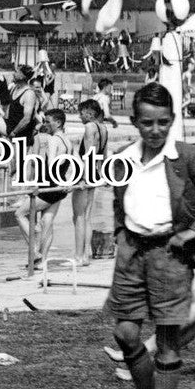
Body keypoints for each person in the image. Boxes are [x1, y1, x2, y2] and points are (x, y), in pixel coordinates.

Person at [105, 83, 195, 389]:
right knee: (126, 333)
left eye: (163, 122)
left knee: (167, 340)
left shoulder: (186, 156)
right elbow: (119, 199)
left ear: (172, 120)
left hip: (170, 256)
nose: (156, 130)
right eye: (148, 123)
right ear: (134, 121)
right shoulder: (122, 157)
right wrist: (120, 232)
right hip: (132, 254)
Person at [13, 108, 72, 266]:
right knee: (47, 221)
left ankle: (34, 251)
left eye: (47, 121)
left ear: (58, 123)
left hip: (50, 186)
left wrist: (39, 185)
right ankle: (41, 262)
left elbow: (52, 163)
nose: (45, 124)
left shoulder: (53, 139)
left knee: (20, 214)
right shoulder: (67, 140)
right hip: (59, 187)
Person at [72, 99, 109, 266]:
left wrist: (83, 178)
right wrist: (103, 175)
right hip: (94, 173)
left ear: (90, 113)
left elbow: (87, 154)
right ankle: (85, 255)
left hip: (85, 173)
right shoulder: (104, 128)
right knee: (86, 216)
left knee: (78, 216)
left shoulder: (89, 127)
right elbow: (104, 156)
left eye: (82, 112)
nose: (79, 116)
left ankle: (79, 257)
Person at [5, 64, 39, 145]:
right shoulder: (14, 88)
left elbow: (27, 119)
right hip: (10, 125)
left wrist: (14, 132)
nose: (13, 74)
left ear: (22, 76)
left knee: (18, 157)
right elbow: (9, 108)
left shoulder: (29, 93)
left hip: (21, 131)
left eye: (16, 72)